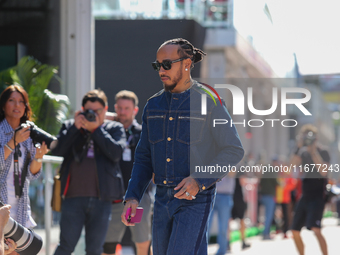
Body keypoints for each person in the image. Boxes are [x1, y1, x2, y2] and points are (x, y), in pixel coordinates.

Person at [121, 38, 244, 255]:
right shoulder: (153, 105)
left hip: (196, 199)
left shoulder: (210, 101)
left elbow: (233, 149)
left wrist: (199, 180)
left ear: (186, 63)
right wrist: (133, 196)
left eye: (167, 64)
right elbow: (143, 158)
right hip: (161, 199)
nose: (161, 70)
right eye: (157, 65)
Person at [52, 89, 126, 255]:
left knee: (95, 250)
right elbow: (57, 151)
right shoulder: (72, 126)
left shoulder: (115, 128)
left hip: (102, 200)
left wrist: (96, 130)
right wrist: (75, 129)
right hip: (72, 198)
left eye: (97, 111)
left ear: (105, 110)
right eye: (89, 111)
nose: (93, 115)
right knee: (65, 246)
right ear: (82, 110)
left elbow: (116, 153)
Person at [103, 90, 153, 255]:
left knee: (142, 241)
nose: (123, 112)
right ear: (114, 108)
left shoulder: (143, 133)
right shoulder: (108, 132)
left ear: (135, 111)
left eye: (127, 108)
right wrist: (111, 118)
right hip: (113, 196)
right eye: (120, 108)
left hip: (139, 196)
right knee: (108, 244)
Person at [0, 85, 48, 244]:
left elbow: (31, 175)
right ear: (3, 105)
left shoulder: (29, 135)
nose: (17, 105)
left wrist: (39, 158)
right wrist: (13, 142)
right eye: (12, 100)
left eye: (21, 101)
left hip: (21, 207)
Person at [290, 124, 330, 255]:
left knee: (316, 229)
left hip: (318, 196)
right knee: (294, 231)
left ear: (316, 138)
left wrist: (313, 151)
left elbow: (324, 172)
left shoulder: (323, 152)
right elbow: (289, 169)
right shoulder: (302, 153)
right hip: (305, 196)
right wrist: (299, 147)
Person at [208, 176, 235, 255]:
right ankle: (202, 250)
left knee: (223, 226)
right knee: (206, 225)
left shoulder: (230, 163)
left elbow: (232, 172)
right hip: (211, 193)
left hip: (225, 196)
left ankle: (222, 252)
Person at [257, 157, 278, 240]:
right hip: (269, 196)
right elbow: (276, 183)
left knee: (265, 216)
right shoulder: (272, 171)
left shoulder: (264, 171)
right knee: (268, 216)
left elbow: (261, 183)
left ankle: (265, 233)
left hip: (263, 195)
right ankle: (266, 234)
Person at [231, 172, 250, 250]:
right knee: (242, 220)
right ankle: (243, 242)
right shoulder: (240, 168)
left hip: (230, 196)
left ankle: (227, 243)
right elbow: (243, 182)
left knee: (228, 220)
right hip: (239, 198)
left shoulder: (227, 165)